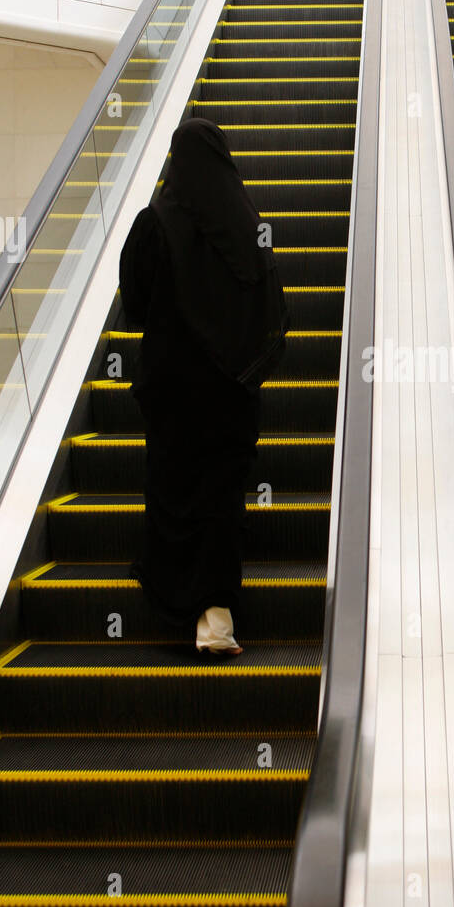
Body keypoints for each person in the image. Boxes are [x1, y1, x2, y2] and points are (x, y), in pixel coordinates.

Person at [118, 117, 288, 655]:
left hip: (171, 388)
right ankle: (216, 618)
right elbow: (272, 308)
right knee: (219, 494)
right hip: (229, 393)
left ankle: (174, 596)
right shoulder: (246, 227)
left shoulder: (154, 223)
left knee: (173, 487)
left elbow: (136, 304)